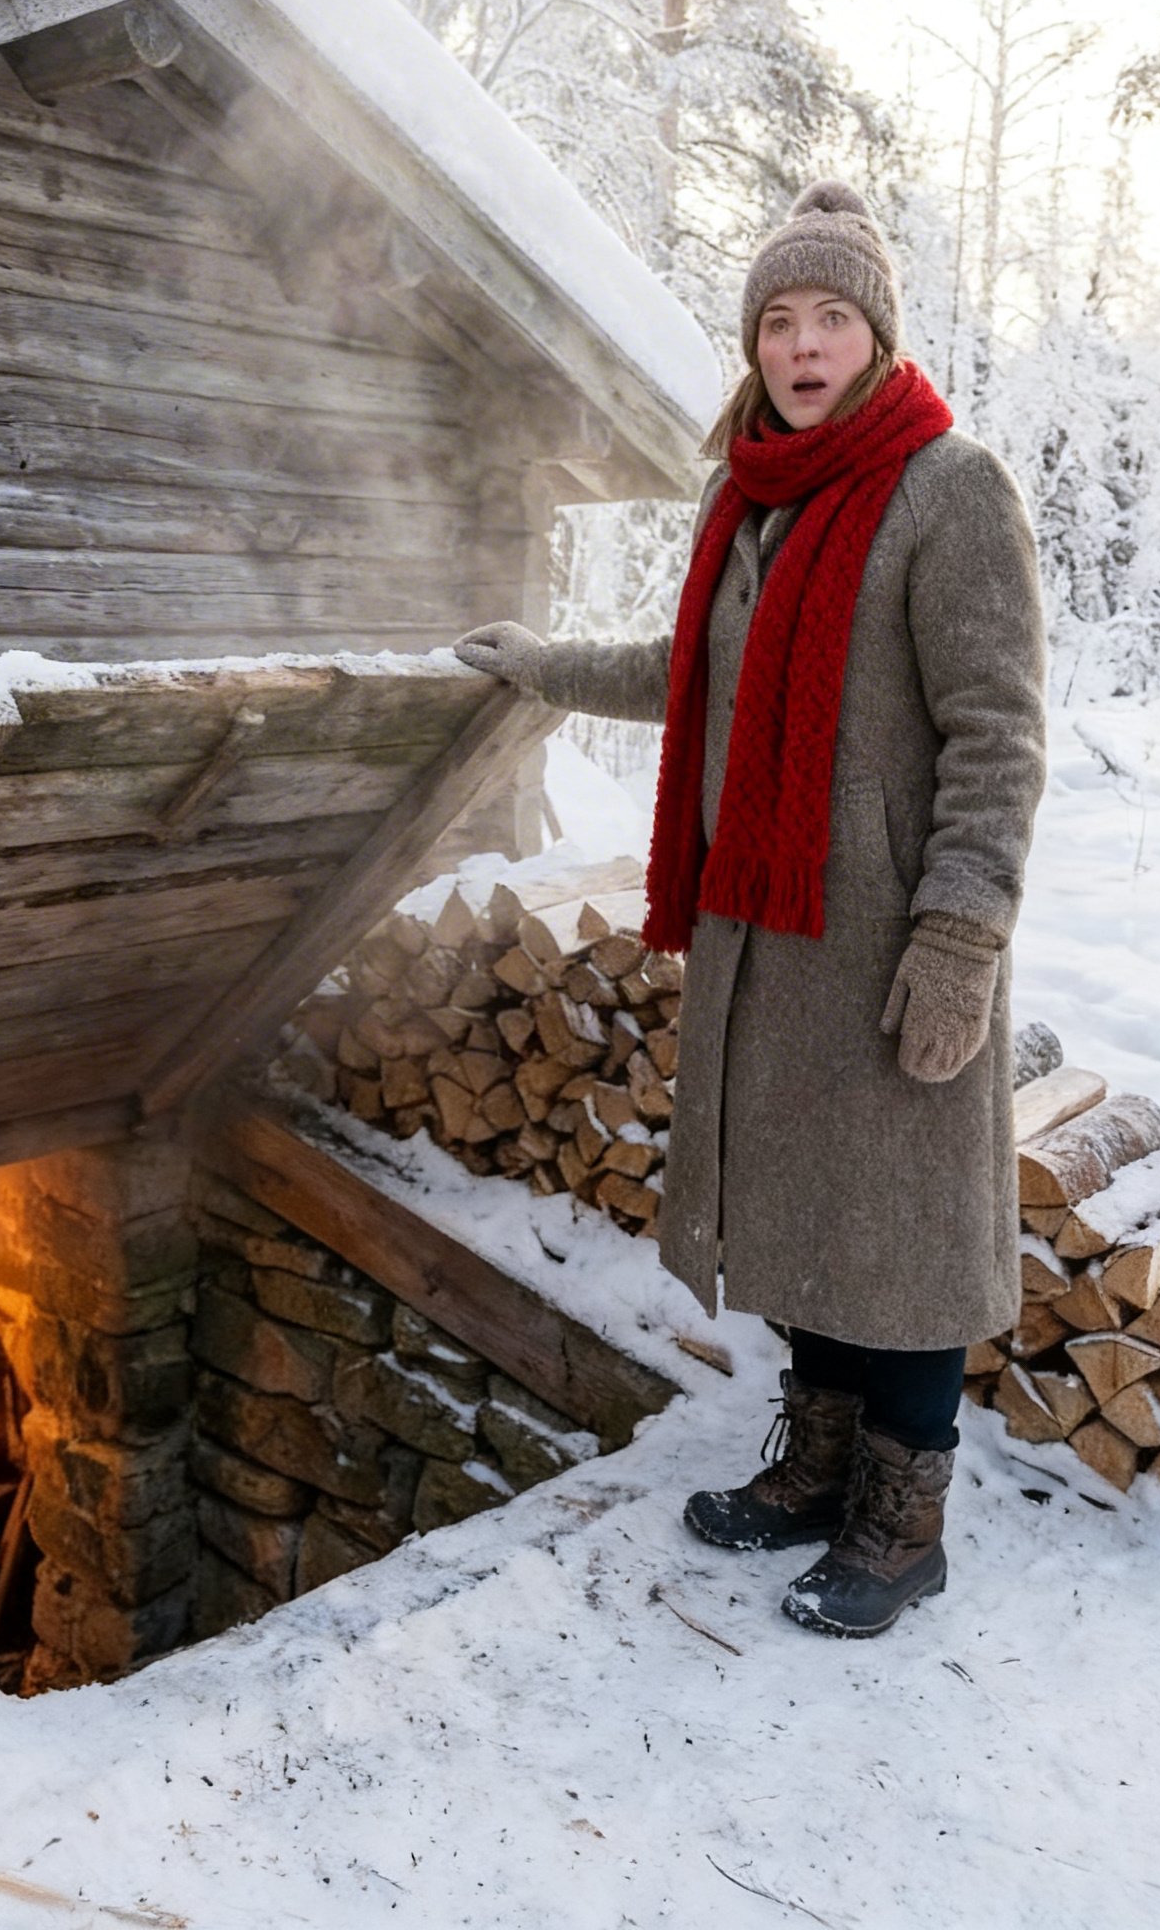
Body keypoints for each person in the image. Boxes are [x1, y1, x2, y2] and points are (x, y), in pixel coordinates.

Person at [454, 181, 1048, 1639]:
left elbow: (1000, 737)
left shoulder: (946, 489)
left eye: (829, 317)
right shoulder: (750, 499)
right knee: (804, 1221)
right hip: (765, 940)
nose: (801, 344)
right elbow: (693, 672)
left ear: (875, 335)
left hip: (890, 946)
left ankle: (905, 1531)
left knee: (896, 1241)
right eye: (778, 319)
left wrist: (962, 941)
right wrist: (542, 668)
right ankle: (820, 1471)